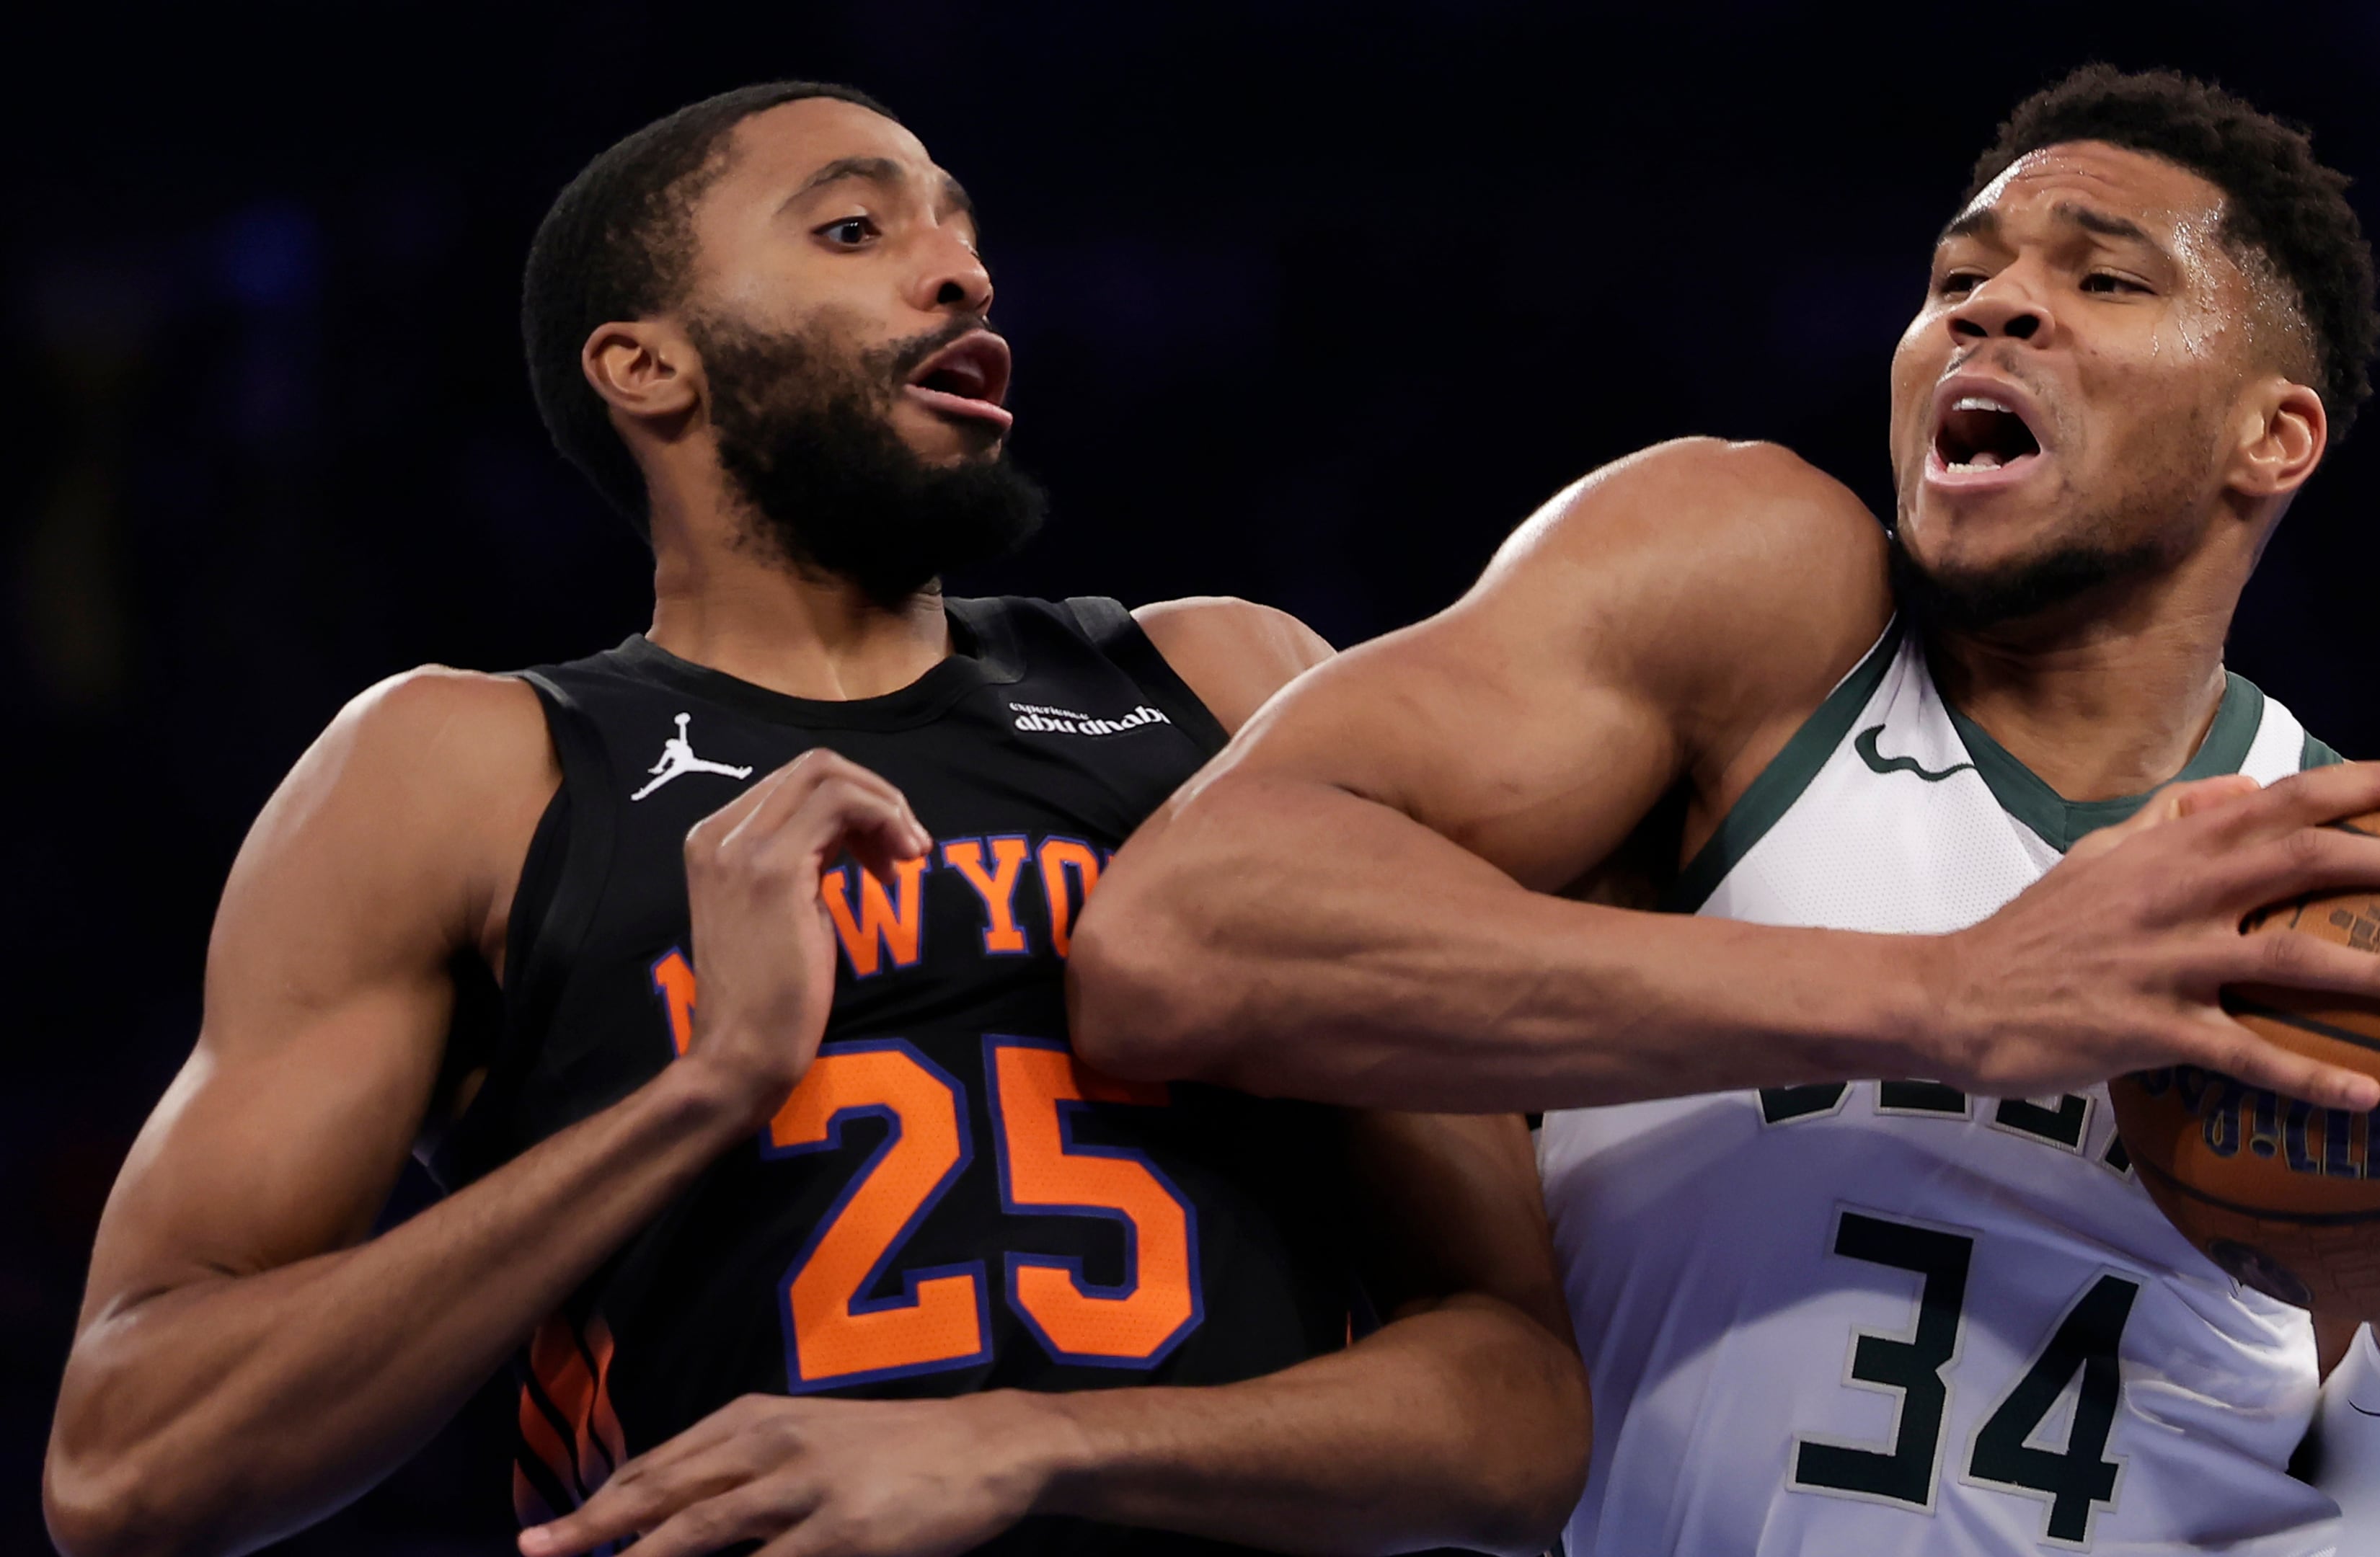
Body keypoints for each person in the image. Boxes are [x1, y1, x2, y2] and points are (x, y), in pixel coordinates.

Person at [1069, 66, 2380, 1556]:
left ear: (2270, 436)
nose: (1996, 308)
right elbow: (1181, 940)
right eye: (1958, 278)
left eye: (2103, 277)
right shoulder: (1769, 603)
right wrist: (1949, 998)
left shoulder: (2349, 882)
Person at [42, 81, 1588, 1557]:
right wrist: (703, 1090)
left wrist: (1023, 1442)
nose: (963, 275)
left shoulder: (1224, 685)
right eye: (857, 230)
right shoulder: (463, 765)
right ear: (648, 365)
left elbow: (1524, 1419)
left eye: (963, 231)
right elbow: (127, 1469)